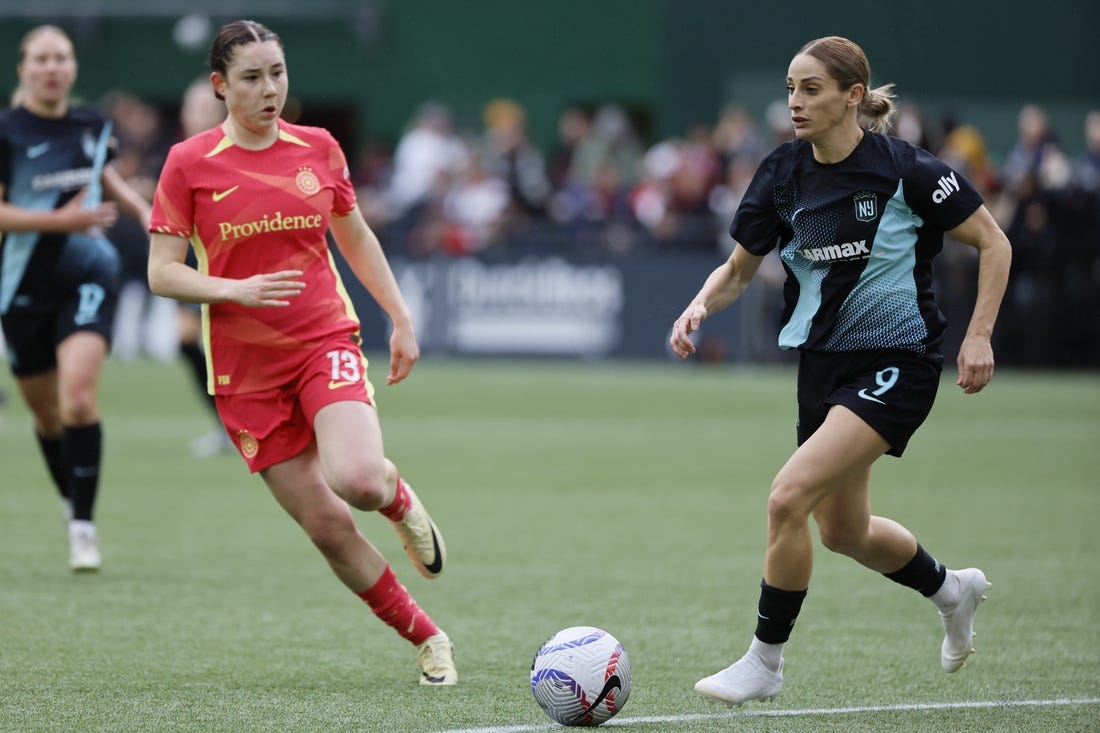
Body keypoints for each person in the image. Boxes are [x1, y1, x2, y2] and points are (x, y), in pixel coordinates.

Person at [669, 36, 1011, 705]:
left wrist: (978, 337)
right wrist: (700, 303)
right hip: (821, 370)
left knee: (786, 497)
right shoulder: (781, 172)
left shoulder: (908, 170)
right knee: (843, 531)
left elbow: (994, 242)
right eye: (791, 88)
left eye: (812, 89)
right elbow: (740, 269)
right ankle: (952, 589)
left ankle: (765, 663)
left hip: (898, 362)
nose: (795, 102)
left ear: (854, 96)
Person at [146, 20, 456, 686]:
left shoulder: (318, 148)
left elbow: (356, 236)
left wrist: (400, 317)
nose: (270, 90)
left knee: (358, 480)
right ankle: (429, 637)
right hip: (243, 373)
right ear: (219, 85)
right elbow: (162, 272)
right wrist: (237, 288)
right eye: (252, 77)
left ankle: (398, 498)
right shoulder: (188, 163)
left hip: (323, 339)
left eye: (278, 73)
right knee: (326, 526)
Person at [0, 25, 152, 572]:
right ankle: (70, 502)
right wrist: (58, 219)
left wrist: (144, 211)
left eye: (61, 57)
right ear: (23, 68)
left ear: (72, 68)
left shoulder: (92, 123)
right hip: (20, 286)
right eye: (40, 58)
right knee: (47, 418)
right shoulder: (7, 130)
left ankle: (83, 528)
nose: (52, 67)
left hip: (88, 269)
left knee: (79, 401)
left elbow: (102, 175)